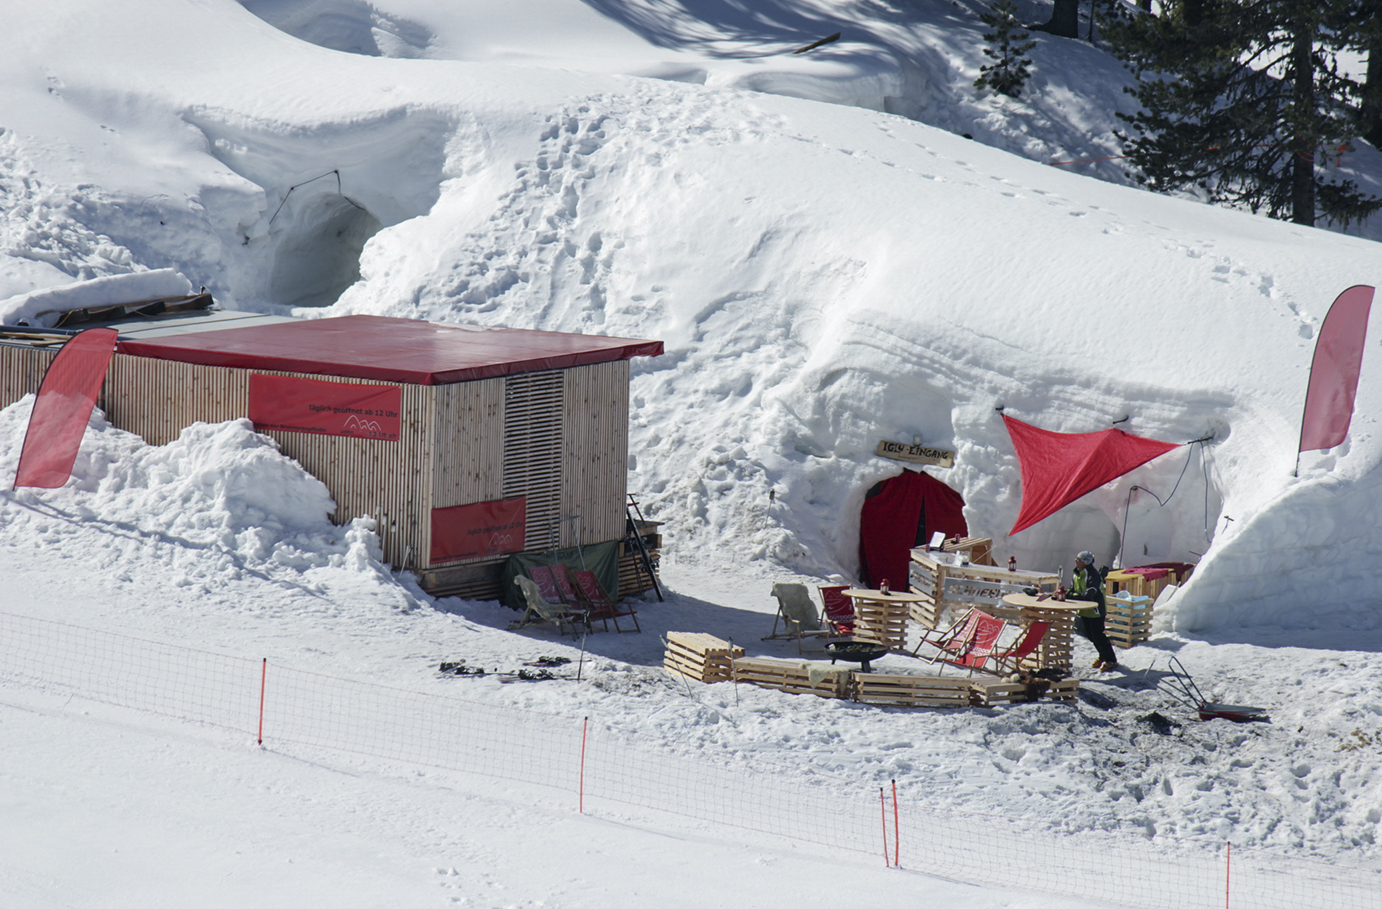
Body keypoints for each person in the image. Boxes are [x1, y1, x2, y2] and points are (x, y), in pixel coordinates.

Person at [1069, 549, 1118, 671]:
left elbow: (1088, 595)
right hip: (1084, 610)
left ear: (1085, 562)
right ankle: (1103, 656)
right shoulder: (1077, 574)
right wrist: (1065, 594)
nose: (1076, 561)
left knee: (1098, 636)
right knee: (1090, 635)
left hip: (1095, 611)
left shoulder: (1093, 575)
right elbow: (1072, 590)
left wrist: (1071, 596)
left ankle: (1111, 659)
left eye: (1078, 559)